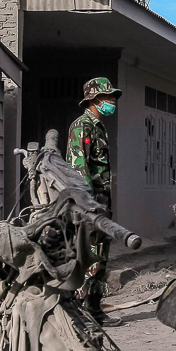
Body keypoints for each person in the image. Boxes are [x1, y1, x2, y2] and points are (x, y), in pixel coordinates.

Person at [66, 76, 123, 327]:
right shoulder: (81, 127)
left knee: (101, 256)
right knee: (88, 256)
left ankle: (95, 308)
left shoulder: (100, 127)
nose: (112, 101)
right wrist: (88, 207)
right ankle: (82, 311)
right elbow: (79, 170)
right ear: (95, 100)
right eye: (108, 97)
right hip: (89, 206)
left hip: (101, 202)